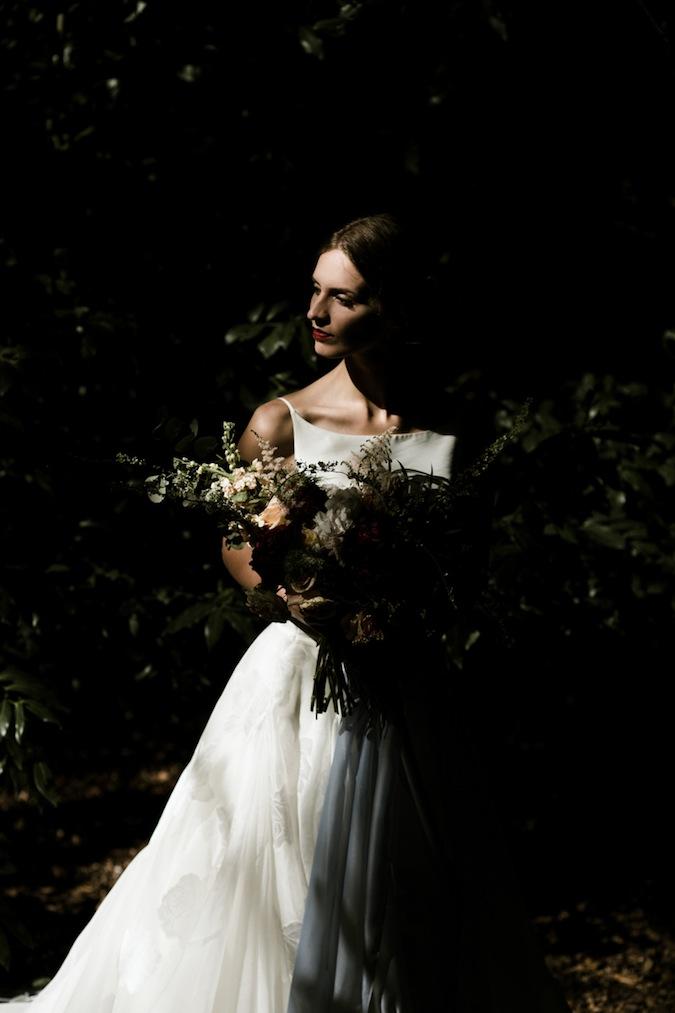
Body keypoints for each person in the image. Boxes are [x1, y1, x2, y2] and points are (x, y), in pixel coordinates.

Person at [1, 213, 571, 1011]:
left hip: (402, 680)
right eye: (313, 290)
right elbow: (238, 547)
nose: (314, 311)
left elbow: (464, 565)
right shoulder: (280, 420)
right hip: (297, 673)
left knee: (412, 875)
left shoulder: (445, 434)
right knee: (266, 858)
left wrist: (404, 597)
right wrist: (293, 589)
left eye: (341, 298)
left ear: (392, 309)